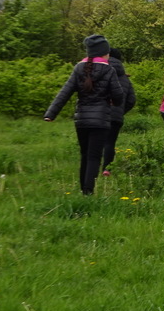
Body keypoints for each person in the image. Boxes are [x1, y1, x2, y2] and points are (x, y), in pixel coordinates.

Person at [44, 35, 124, 195]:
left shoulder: (78, 68)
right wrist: (112, 101)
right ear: (104, 53)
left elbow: (64, 92)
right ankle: (88, 191)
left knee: (84, 155)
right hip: (101, 120)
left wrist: (51, 113)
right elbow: (119, 96)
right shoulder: (109, 70)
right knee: (94, 157)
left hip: (81, 120)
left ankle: (83, 189)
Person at [102, 47, 137, 176]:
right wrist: (121, 110)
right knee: (110, 142)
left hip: (99, 114)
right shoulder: (125, 78)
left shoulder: (100, 72)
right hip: (116, 116)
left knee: (96, 141)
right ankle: (107, 168)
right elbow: (131, 100)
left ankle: (91, 167)